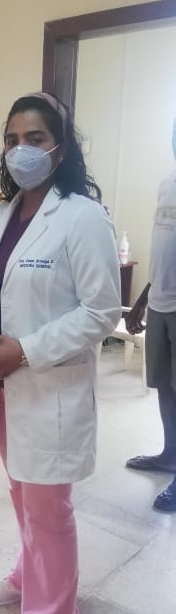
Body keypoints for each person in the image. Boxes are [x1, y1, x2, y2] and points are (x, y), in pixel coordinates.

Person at [0, 92, 121, 614]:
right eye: (12, 140)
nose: (22, 150)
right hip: (4, 387)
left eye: (35, 139)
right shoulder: (2, 215)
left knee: (47, 507)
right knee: (22, 491)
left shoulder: (83, 217)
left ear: (61, 147)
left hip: (47, 385)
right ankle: (27, 571)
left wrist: (27, 351)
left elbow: (101, 311)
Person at [125, 132, 176, 513]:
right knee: (163, 386)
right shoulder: (166, 185)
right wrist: (142, 300)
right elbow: (163, 251)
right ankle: (170, 454)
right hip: (159, 304)